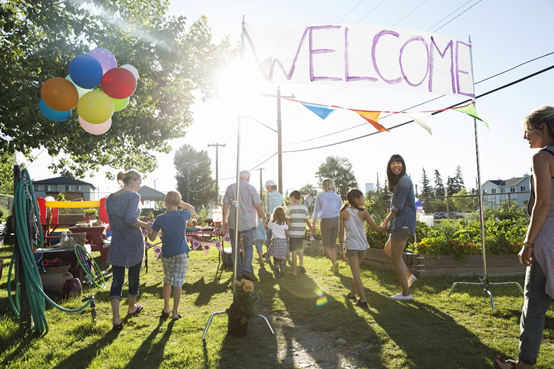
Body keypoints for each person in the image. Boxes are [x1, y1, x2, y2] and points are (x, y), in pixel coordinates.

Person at [494, 106, 554, 369]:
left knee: (535, 307)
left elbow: (542, 204)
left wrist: (528, 244)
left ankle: (524, 364)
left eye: (527, 131)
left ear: (543, 127)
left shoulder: (542, 158)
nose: (524, 137)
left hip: (547, 239)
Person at [105, 170, 152, 330]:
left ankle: (116, 318)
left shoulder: (110, 198)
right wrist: (145, 225)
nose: (139, 186)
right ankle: (132, 308)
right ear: (132, 180)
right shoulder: (133, 197)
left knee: (117, 279)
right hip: (132, 241)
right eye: (139, 182)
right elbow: (131, 219)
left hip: (117, 240)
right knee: (134, 276)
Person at [148, 191, 195, 320]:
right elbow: (192, 208)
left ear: (165, 203)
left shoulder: (160, 218)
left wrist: (148, 230)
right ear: (179, 204)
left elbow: (152, 238)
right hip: (181, 253)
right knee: (178, 282)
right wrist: (180, 202)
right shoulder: (183, 215)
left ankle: (166, 308)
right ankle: (175, 312)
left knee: (167, 280)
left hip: (167, 253)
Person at [339, 189, 386, 308]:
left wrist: (341, 247)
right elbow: (375, 228)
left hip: (351, 246)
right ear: (356, 200)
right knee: (356, 272)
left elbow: (340, 233)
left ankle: (363, 300)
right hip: (362, 246)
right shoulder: (364, 212)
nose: (363, 200)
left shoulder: (343, 212)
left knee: (356, 274)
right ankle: (352, 294)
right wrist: (387, 229)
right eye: (362, 198)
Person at [381, 155, 417, 301]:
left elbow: (398, 206)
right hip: (400, 223)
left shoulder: (404, 181)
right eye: (393, 163)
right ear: (389, 166)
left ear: (403, 164)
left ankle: (406, 293)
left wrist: (385, 221)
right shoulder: (400, 181)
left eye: (399, 162)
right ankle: (409, 276)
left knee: (396, 258)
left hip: (403, 223)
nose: (396, 165)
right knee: (387, 250)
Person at [222, 170, 266, 281]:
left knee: (235, 248)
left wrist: (224, 219)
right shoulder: (251, 188)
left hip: (233, 222)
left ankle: (238, 271)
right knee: (248, 247)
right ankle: (246, 269)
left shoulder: (230, 187)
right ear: (248, 178)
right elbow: (258, 205)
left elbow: (225, 205)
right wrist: (264, 217)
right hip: (249, 222)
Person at [311, 178, 343, 275]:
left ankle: (334, 262)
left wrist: (313, 223)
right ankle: (334, 266)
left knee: (326, 244)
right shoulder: (338, 197)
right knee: (333, 244)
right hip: (336, 220)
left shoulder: (320, 196)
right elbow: (342, 209)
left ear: (324, 186)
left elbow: (316, 210)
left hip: (326, 221)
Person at [286, 190, 315, 275]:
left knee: (294, 251)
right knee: (300, 249)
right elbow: (306, 220)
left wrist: (286, 230)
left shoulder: (290, 207)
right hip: (301, 232)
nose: (290, 199)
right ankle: (301, 264)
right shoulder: (304, 207)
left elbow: (288, 220)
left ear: (293, 197)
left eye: (290, 198)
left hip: (293, 232)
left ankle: (294, 271)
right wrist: (311, 228)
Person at [266, 206, 289, 278]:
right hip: (282, 241)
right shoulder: (284, 223)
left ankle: (277, 273)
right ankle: (282, 269)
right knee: (281, 257)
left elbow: (267, 228)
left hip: (275, 241)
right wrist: (287, 238)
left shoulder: (272, 222)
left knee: (275, 258)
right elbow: (286, 232)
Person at [264, 180, 284, 262]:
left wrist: (266, 220)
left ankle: (269, 255)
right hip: (280, 219)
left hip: (272, 219)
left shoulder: (269, 195)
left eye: (267, 187)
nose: (266, 188)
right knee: (279, 237)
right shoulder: (280, 195)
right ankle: (280, 255)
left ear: (270, 186)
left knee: (269, 237)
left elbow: (269, 210)